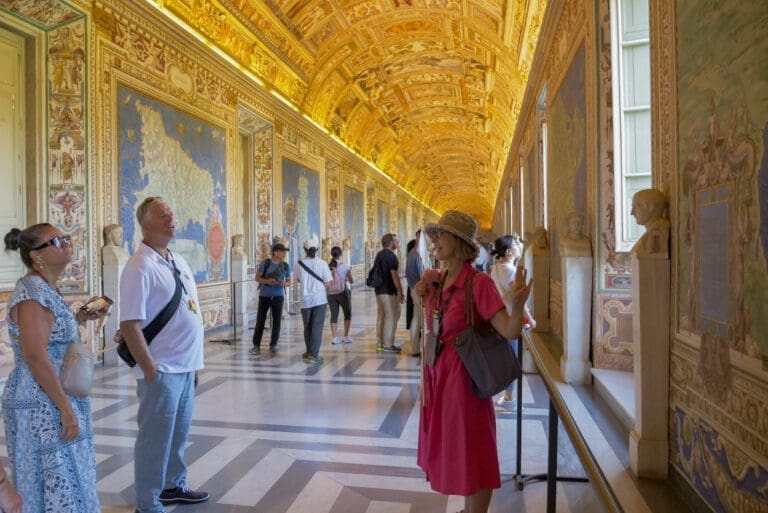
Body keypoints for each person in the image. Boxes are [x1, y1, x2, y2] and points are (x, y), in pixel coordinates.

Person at [414, 210, 531, 513]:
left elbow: (509, 329)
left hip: (464, 380)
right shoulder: (439, 280)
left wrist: (517, 306)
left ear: (458, 242)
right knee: (455, 449)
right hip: (439, 376)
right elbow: (435, 326)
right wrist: (422, 297)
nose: (434, 241)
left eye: (441, 235)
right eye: (435, 235)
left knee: (473, 450)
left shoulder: (477, 283)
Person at [3, 223, 109, 512]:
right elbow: (36, 355)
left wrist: (81, 318)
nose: (66, 243)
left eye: (64, 238)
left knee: (67, 474)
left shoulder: (45, 288)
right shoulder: (33, 294)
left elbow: (49, 339)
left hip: (52, 393)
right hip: (41, 400)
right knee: (53, 478)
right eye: (56, 241)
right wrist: (65, 408)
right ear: (36, 256)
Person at [119, 197, 209, 513]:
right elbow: (129, 323)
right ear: (145, 223)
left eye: (171, 212)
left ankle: (173, 486)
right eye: (162, 214)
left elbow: (192, 309)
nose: (171, 217)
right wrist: (150, 369)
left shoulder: (177, 260)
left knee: (178, 434)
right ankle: (148, 502)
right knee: (154, 440)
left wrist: (197, 363)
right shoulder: (139, 266)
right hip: (162, 369)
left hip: (185, 366)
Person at [490, 235, 536, 407]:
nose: (520, 245)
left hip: (501, 318)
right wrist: (530, 319)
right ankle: (509, 397)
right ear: (509, 251)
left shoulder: (497, 267)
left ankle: (506, 394)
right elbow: (517, 300)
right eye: (516, 244)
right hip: (512, 318)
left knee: (506, 357)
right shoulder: (509, 270)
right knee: (512, 358)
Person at [294, 237, 332, 364]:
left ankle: (309, 351)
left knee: (307, 326)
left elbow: (298, 280)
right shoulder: (323, 263)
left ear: (304, 249)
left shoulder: (298, 263)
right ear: (317, 249)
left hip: (305, 299)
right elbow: (328, 282)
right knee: (317, 326)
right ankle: (314, 355)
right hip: (319, 299)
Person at [251, 242, 291, 356]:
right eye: (282, 252)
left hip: (278, 296)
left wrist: (284, 283)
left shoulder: (285, 265)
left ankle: (273, 344)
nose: (284, 254)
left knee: (277, 321)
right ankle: (256, 345)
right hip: (265, 296)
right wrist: (267, 281)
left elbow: (289, 281)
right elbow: (257, 278)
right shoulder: (266, 263)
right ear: (276, 252)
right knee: (260, 320)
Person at [373, 233, 404, 352]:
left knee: (381, 316)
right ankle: (388, 344)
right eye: (396, 240)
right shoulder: (391, 256)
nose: (398, 242)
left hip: (379, 290)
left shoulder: (379, 255)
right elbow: (395, 276)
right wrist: (400, 292)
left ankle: (380, 343)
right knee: (391, 316)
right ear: (391, 242)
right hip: (388, 291)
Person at [327, 246, 354, 344]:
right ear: (341, 254)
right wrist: (346, 278)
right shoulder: (345, 266)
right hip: (342, 293)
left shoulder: (327, 266)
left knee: (334, 315)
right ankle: (346, 336)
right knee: (347, 313)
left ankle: (335, 338)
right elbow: (352, 281)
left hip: (330, 294)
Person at [404, 235, 424, 357]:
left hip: (413, 288)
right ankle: (415, 347)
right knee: (417, 318)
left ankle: (415, 346)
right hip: (417, 289)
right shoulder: (417, 255)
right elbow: (422, 276)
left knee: (416, 318)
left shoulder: (412, 253)